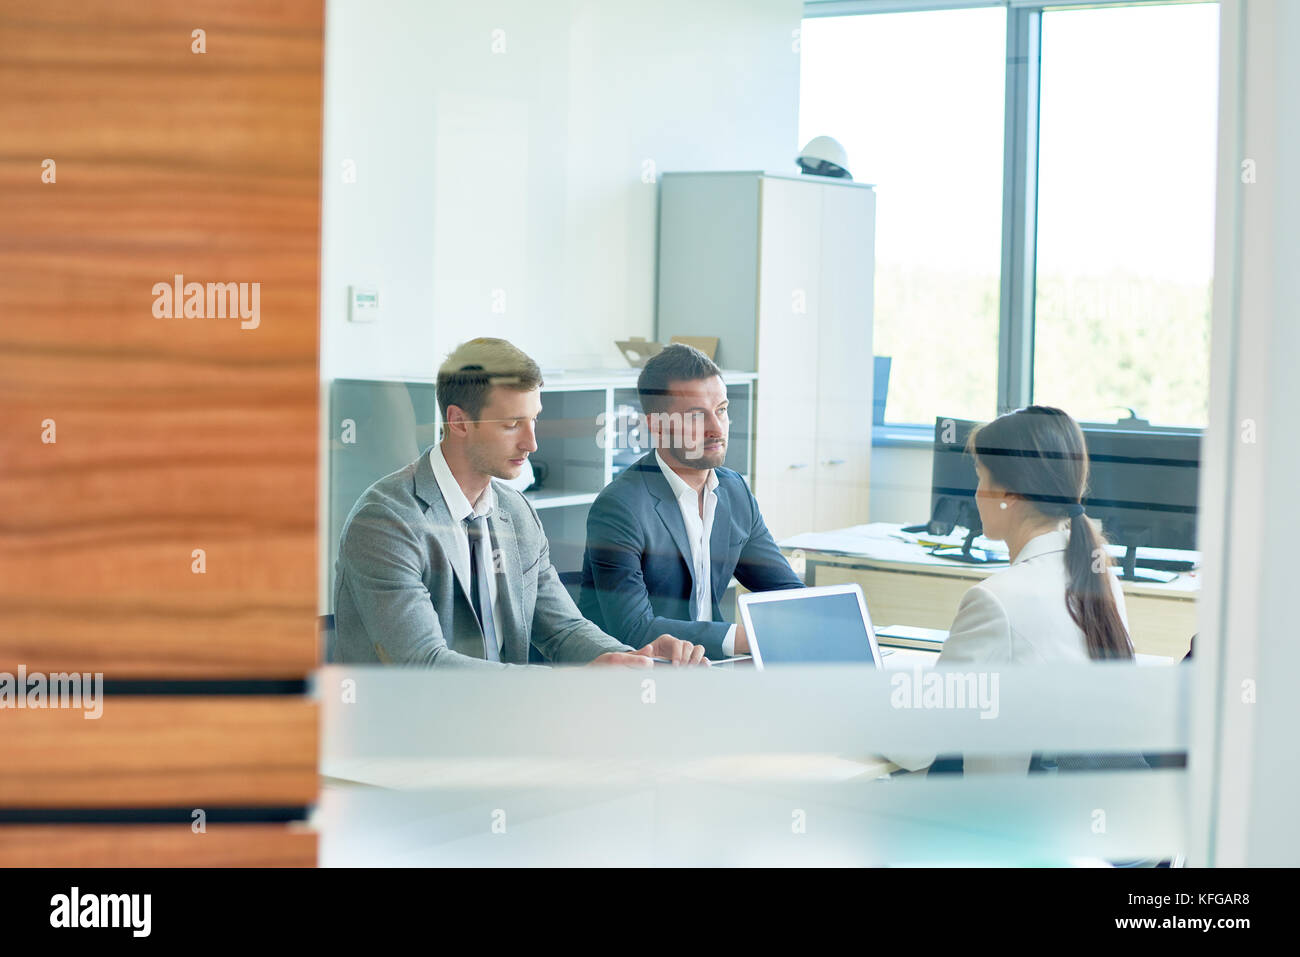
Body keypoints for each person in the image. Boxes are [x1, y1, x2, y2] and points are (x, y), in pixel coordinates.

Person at [332, 337, 708, 668]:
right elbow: (424, 664)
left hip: (503, 726)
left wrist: (632, 658)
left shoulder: (517, 512)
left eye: (534, 421)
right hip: (407, 735)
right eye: (512, 424)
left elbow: (563, 629)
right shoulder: (385, 521)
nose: (532, 443)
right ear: (459, 422)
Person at [892, 406, 1138, 774]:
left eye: (980, 478)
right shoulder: (1101, 578)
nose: (976, 494)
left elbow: (916, 747)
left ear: (1006, 492)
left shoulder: (996, 600)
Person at [579, 343, 804, 660]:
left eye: (722, 410)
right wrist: (745, 637)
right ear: (656, 425)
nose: (716, 429)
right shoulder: (620, 506)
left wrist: (816, 621)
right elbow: (633, 628)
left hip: (712, 668)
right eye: (697, 416)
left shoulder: (733, 490)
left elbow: (784, 593)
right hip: (640, 676)